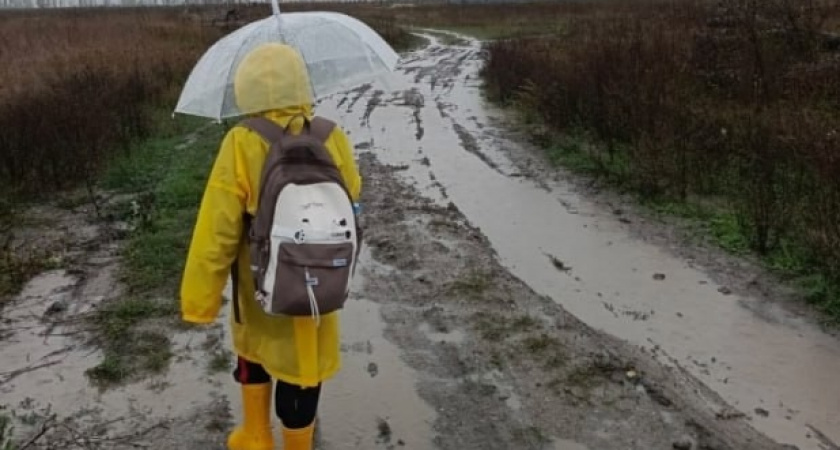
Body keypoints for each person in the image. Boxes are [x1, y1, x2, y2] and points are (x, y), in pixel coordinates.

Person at [179, 42, 362, 450]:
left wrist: (200, 299)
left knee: (255, 351)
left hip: (260, 282)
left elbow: (218, 226)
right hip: (319, 277)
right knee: (304, 371)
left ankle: (256, 436)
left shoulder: (242, 141)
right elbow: (352, 189)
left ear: (245, 89)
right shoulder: (331, 135)